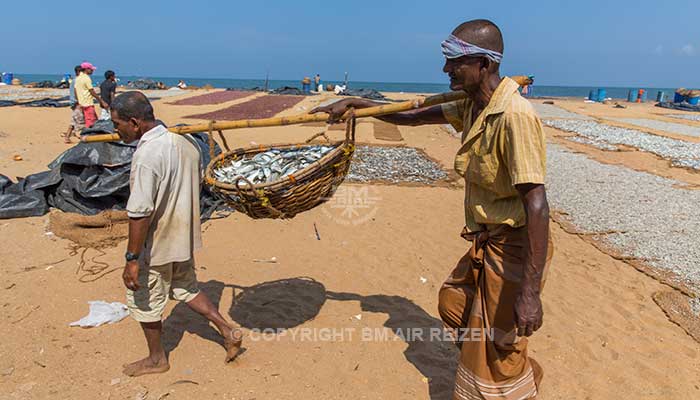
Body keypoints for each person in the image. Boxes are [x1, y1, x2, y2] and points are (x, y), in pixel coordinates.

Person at [312, 19, 551, 399]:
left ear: (483, 65)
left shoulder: (514, 117)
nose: (446, 70)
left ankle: (509, 387)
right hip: (486, 241)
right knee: (454, 303)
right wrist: (358, 104)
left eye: (455, 63)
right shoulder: (473, 106)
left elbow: (537, 205)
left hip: (514, 248)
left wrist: (530, 292)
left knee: (500, 345)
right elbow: (413, 115)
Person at [110, 92, 243, 377]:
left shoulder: (146, 155)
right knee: (185, 287)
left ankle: (157, 359)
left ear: (134, 122)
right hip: (183, 238)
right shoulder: (186, 144)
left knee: (145, 300)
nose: (115, 130)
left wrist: (132, 258)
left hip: (156, 244)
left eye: (117, 123)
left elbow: (141, 212)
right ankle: (228, 329)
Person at [74, 61, 108, 129]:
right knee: (90, 122)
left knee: (93, 120)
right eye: (91, 69)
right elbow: (91, 91)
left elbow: (75, 90)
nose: (92, 71)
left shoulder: (78, 78)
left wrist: (78, 101)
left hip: (82, 103)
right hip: (88, 104)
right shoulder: (86, 78)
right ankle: (88, 136)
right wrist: (101, 101)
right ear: (86, 69)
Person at [61, 65, 84, 143]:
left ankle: (67, 137)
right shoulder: (77, 80)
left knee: (73, 121)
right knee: (80, 121)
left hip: (73, 102)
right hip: (77, 103)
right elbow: (76, 92)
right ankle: (82, 138)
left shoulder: (74, 80)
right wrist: (80, 102)